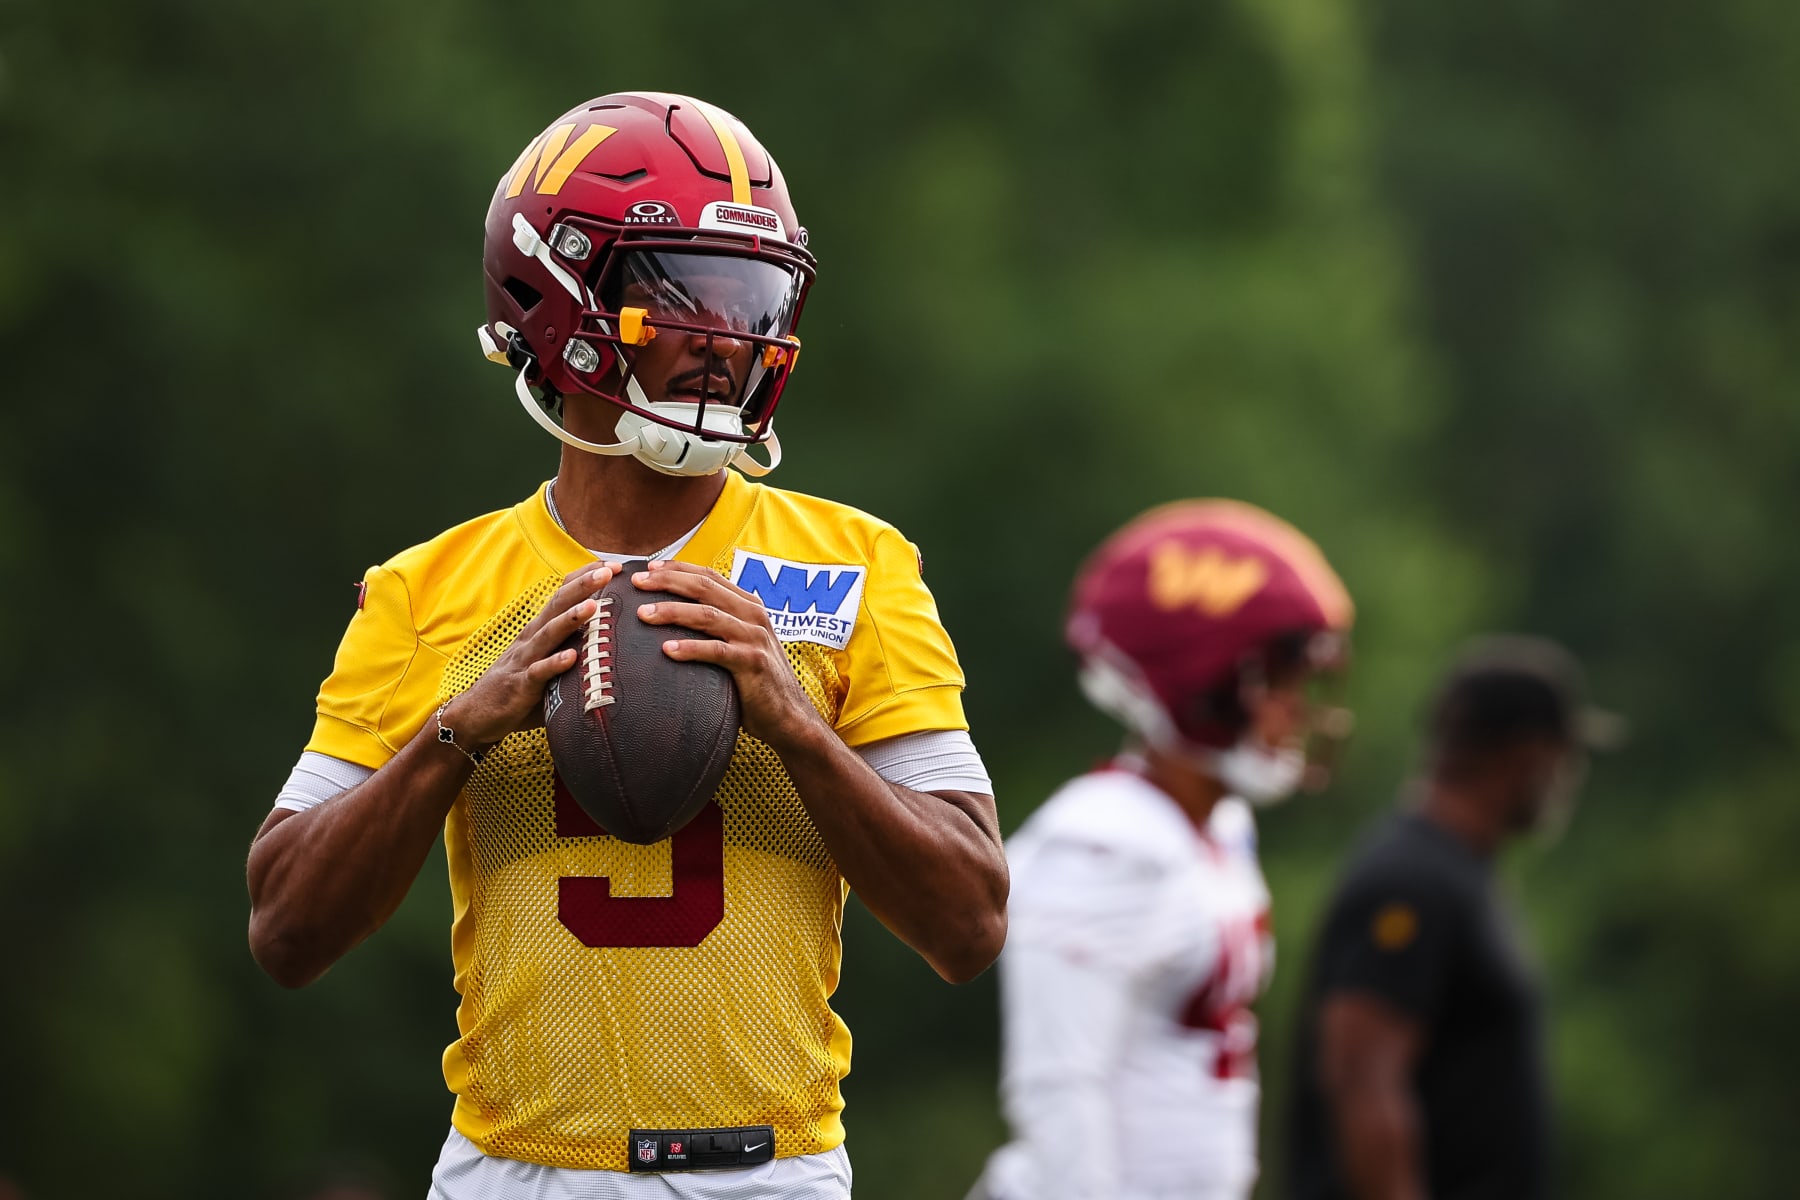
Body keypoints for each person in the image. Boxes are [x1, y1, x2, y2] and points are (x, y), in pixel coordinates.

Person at [245, 91, 1008, 1199]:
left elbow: (970, 920)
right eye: (686, 295)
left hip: (771, 1172)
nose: (730, 337)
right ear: (558, 298)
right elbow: (284, 930)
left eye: (754, 298)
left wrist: (797, 726)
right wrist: (454, 732)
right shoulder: (428, 590)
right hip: (515, 1169)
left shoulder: (860, 565)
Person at [970, 500, 1356, 1200]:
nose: (1297, 707)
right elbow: (1059, 1090)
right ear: (1203, 680)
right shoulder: (1104, 843)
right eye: (1279, 679)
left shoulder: (1216, 826)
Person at [1286, 636, 1620, 1200]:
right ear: (1528, 757)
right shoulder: (1411, 882)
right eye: (1566, 755)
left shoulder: (1459, 875)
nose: (1569, 776)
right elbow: (1362, 1083)